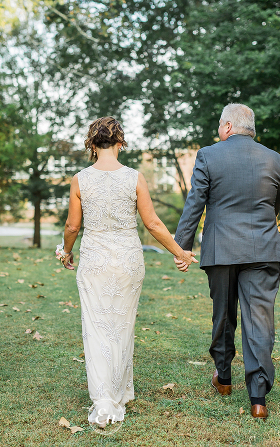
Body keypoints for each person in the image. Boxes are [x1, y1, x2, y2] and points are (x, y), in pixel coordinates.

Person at [58, 116, 197, 428]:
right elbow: (153, 223)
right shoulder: (134, 177)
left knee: (96, 327)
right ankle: (117, 395)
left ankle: (103, 399)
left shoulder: (80, 179)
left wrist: (66, 251)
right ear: (120, 143)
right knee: (122, 327)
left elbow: (72, 226)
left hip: (94, 261)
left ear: (92, 145)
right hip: (127, 260)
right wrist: (179, 253)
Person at [173, 103, 280, 420]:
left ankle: (224, 378)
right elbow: (275, 202)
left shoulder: (209, 155)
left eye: (219, 125)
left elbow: (196, 202)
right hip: (263, 248)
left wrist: (181, 247)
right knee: (260, 319)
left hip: (221, 249)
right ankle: (258, 398)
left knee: (223, 314)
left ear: (227, 127)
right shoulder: (273, 158)